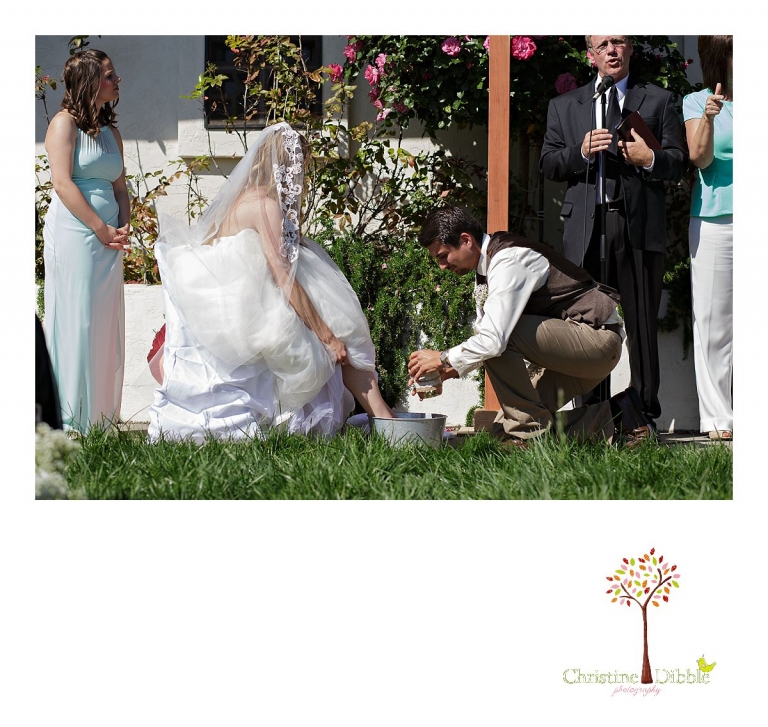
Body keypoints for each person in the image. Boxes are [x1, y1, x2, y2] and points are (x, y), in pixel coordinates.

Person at [147, 122, 394, 443]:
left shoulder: (239, 200)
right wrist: (327, 335)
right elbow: (282, 276)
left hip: (225, 308)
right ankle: (387, 422)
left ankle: (384, 417)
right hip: (246, 314)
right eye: (301, 165)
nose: (302, 175)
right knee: (344, 327)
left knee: (332, 310)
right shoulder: (266, 206)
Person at [407, 207, 653, 447]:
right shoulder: (486, 267)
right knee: (502, 433)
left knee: (502, 342)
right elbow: (489, 338)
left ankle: (528, 434)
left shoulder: (509, 260)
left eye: (442, 256)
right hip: (573, 353)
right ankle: (619, 416)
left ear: (465, 240)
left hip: (596, 341)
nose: (441, 266)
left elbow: (493, 340)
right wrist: (448, 371)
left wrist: (442, 358)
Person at [540, 36, 687, 430]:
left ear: (630, 51)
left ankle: (643, 416)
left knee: (640, 323)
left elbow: (678, 162)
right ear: (591, 55)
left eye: (619, 41)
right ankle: (595, 416)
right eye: (603, 43)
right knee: (589, 328)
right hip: (586, 228)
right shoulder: (565, 106)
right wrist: (581, 152)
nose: (612, 49)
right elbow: (550, 164)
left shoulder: (656, 99)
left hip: (636, 225)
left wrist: (649, 157)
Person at [42, 49, 130, 433]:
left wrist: (123, 227)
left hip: (109, 240)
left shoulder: (112, 133)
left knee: (104, 324)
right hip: (77, 234)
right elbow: (62, 184)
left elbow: (121, 188)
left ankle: (100, 419)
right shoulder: (64, 125)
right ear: (90, 81)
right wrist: (100, 227)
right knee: (78, 319)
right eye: (109, 75)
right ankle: (69, 420)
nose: (117, 81)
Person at [683, 36, 733, 441]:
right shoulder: (699, 101)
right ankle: (719, 420)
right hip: (716, 222)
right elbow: (699, 157)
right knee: (714, 323)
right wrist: (711, 117)